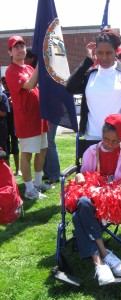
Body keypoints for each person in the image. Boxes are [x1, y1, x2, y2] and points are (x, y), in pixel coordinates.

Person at [66, 28, 121, 232]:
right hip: (92, 138)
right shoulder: (90, 73)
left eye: (109, 52)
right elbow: (70, 86)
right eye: (99, 53)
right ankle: (94, 221)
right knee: (93, 183)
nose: (104, 57)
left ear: (116, 50)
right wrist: (87, 60)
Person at [65, 114, 121, 285]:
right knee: (83, 202)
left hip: (112, 200)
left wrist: (110, 191)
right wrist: (80, 176)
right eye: (106, 139)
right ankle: (104, 255)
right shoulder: (92, 152)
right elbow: (83, 176)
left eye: (115, 141)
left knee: (78, 216)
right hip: (91, 196)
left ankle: (99, 262)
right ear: (101, 134)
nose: (110, 144)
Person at [5, 35, 52, 200]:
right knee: (27, 154)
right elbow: (30, 85)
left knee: (42, 150)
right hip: (26, 120)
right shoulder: (11, 71)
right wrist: (41, 63)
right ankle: (29, 189)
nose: (20, 49)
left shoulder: (29, 68)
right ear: (10, 52)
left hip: (40, 118)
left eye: (22, 46)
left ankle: (38, 184)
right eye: (15, 47)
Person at [24, 48, 61, 185]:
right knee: (43, 145)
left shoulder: (45, 72)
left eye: (26, 58)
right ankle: (46, 172)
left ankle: (54, 174)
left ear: (32, 59)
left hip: (52, 111)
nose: (24, 61)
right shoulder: (31, 72)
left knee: (49, 143)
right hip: (42, 112)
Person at [1, 76, 21, 176]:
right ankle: (9, 171)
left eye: (7, 83)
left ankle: (18, 169)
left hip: (14, 124)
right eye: (3, 83)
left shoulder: (15, 92)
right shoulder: (3, 94)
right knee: (6, 149)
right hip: (4, 125)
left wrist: (13, 101)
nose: (5, 85)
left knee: (16, 148)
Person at [0, 91, 9, 163]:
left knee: (4, 152)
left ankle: (7, 173)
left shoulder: (2, 96)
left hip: (1, 129)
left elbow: (3, 113)